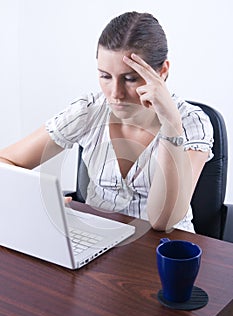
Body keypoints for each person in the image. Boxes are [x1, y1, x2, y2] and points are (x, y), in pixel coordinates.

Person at [0, 11, 213, 233]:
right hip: (98, 241)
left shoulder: (192, 122)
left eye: (130, 78)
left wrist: (171, 125)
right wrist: (39, 203)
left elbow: (163, 222)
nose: (115, 93)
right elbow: (5, 161)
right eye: (105, 76)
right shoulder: (89, 111)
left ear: (162, 72)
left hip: (166, 252)